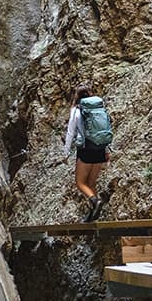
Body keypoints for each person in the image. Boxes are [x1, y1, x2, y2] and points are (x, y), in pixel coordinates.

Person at [63, 85, 117, 222]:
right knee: (91, 183)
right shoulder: (99, 109)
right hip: (100, 149)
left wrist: (66, 153)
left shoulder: (76, 110)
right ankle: (93, 214)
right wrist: (106, 150)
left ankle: (95, 202)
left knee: (80, 183)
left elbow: (70, 132)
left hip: (86, 150)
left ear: (77, 96)